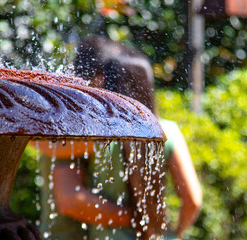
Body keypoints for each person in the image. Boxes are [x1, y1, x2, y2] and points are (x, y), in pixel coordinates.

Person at [38, 36, 202, 240]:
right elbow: (193, 200)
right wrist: (173, 233)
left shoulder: (99, 136)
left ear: (106, 81)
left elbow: (44, 147)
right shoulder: (168, 131)